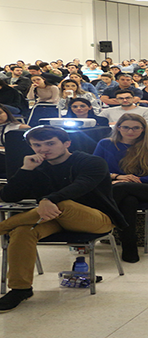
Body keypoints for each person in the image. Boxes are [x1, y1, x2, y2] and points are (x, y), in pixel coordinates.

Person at [0, 126, 128, 312]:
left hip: (96, 219)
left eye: (50, 143)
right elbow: (10, 196)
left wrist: (48, 199)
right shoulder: (36, 166)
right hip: (52, 219)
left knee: (64, 204)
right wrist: (26, 169)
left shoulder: (91, 162)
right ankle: (20, 289)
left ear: (66, 143)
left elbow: (81, 186)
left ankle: (2, 227)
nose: (43, 149)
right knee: (22, 231)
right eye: (37, 145)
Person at [94, 114, 148, 263]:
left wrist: (133, 180)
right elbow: (95, 170)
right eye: (126, 127)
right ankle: (130, 247)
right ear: (118, 128)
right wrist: (117, 177)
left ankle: (96, 222)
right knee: (129, 201)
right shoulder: (105, 144)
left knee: (123, 189)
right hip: (120, 188)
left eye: (136, 128)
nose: (130, 131)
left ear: (143, 129)